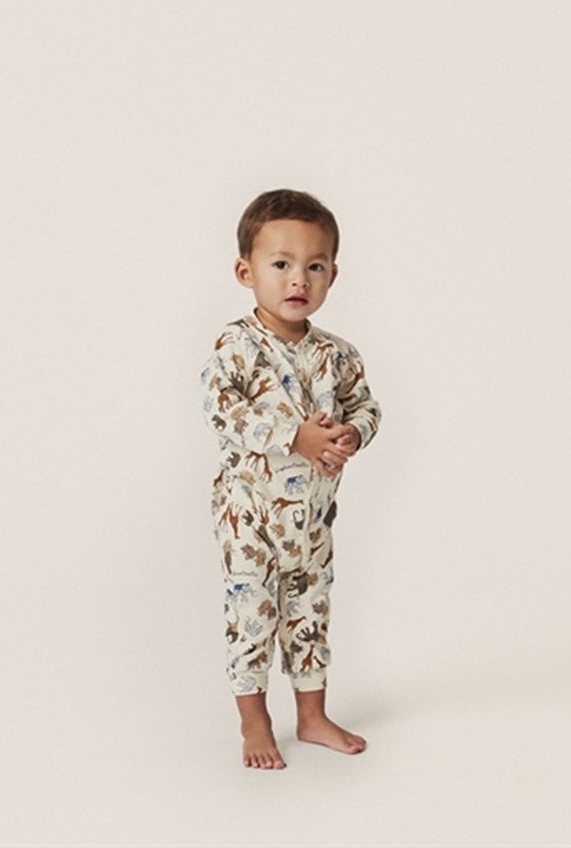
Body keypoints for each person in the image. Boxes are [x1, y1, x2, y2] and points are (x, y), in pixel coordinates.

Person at [199, 189, 382, 769]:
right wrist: (292, 437)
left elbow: (367, 407)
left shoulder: (338, 355)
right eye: (280, 264)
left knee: (310, 612)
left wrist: (353, 434)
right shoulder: (236, 345)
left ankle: (311, 715)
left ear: (332, 275)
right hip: (250, 514)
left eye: (315, 266)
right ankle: (254, 722)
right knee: (252, 614)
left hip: (313, 521)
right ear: (245, 272)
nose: (298, 278)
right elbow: (222, 410)